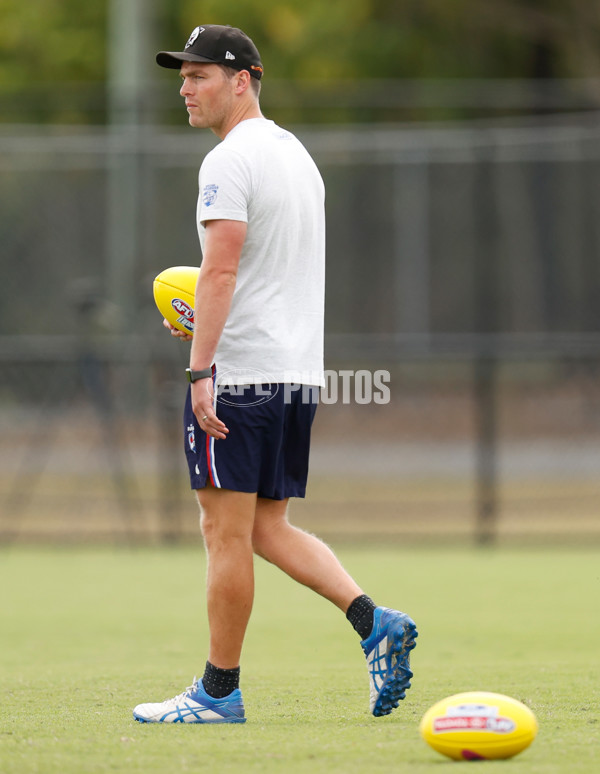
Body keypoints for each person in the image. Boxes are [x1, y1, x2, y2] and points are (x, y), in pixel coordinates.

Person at [133, 24, 417, 724]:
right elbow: (255, 275)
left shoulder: (229, 161)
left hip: (240, 377)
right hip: (293, 374)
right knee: (265, 527)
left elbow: (222, 269)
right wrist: (207, 319)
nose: (185, 86)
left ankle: (217, 693)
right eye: (183, 74)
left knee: (222, 533)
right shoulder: (296, 155)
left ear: (244, 78)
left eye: (200, 74)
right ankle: (372, 621)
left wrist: (201, 366)